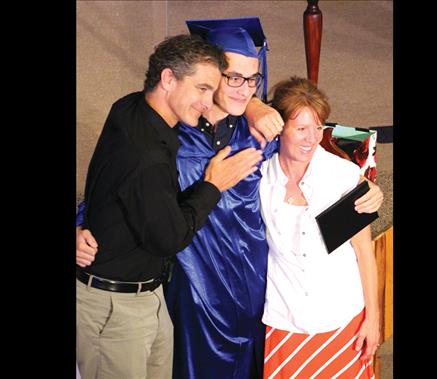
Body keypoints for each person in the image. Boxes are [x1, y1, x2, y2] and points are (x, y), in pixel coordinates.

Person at [76, 17, 384, 379]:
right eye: (232, 78)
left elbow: (313, 133)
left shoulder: (259, 131)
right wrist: (82, 223)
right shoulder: (175, 133)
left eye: (252, 80)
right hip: (194, 284)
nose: (244, 89)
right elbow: (120, 179)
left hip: (252, 285)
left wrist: (366, 184)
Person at [75, 34, 264, 379]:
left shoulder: (131, 107)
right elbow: (169, 237)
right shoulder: (146, 154)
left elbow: (107, 183)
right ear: (167, 79)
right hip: (115, 308)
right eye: (202, 89)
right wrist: (213, 184)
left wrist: (255, 105)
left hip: (150, 295)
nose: (208, 102)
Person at [260, 77, 379, 378]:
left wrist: (374, 319)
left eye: (318, 127)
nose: (311, 138)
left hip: (343, 321)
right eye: (301, 128)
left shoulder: (342, 176)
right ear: (280, 128)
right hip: (284, 323)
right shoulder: (259, 179)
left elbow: (364, 253)